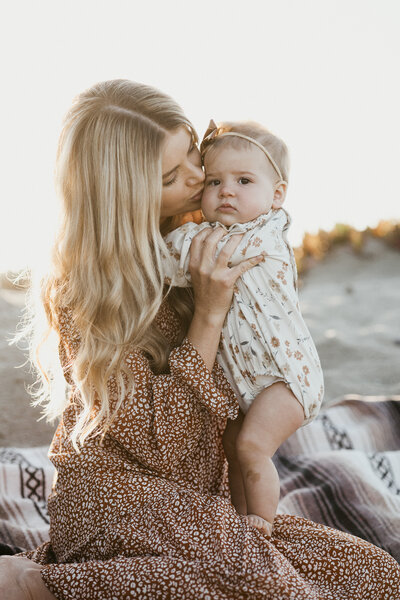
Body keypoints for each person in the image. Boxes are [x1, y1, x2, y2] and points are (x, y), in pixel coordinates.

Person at [0, 79, 399, 599]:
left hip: (202, 497)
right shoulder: (88, 290)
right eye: (172, 175)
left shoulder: (208, 225)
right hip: (115, 498)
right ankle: (34, 586)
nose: (198, 177)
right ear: (127, 193)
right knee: (270, 588)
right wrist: (208, 314)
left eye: (192, 152)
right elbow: (165, 444)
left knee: (369, 573)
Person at [162, 120, 324, 536]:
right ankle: (240, 521)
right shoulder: (215, 233)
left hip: (285, 378)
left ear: (277, 195)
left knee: (253, 447)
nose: (226, 190)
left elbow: (178, 258)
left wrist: (150, 246)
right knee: (234, 448)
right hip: (249, 381)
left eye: (244, 180)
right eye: (214, 180)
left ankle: (263, 525)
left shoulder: (261, 237)